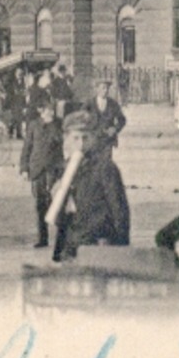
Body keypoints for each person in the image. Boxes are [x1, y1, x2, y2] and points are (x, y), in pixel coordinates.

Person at [51, 112, 131, 262]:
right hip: (71, 246)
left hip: (99, 245)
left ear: (93, 139)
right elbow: (62, 218)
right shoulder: (63, 169)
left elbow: (119, 211)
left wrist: (121, 251)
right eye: (75, 138)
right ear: (65, 139)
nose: (81, 144)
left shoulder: (105, 168)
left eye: (86, 138)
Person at [19, 95, 66, 249]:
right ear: (40, 111)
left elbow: (62, 145)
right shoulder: (33, 125)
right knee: (40, 205)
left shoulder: (58, 124)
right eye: (48, 110)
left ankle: (62, 237)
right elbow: (27, 147)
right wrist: (24, 168)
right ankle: (43, 239)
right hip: (37, 169)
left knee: (56, 203)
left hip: (53, 169)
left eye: (52, 110)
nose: (50, 113)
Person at [87, 79, 128, 149]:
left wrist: (115, 129)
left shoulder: (113, 104)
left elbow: (122, 119)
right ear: (97, 89)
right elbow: (80, 118)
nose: (106, 90)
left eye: (107, 88)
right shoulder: (89, 103)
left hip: (108, 139)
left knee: (106, 159)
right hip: (93, 139)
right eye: (103, 88)